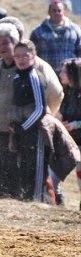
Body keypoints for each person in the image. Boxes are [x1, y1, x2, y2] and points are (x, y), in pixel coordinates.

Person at [0, 22, 63, 199]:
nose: (2, 48)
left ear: (15, 42)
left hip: (27, 132)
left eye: (5, 43)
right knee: (8, 178)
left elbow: (56, 93)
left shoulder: (34, 67)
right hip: (3, 132)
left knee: (29, 175)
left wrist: (40, 119)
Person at [29, 1, 81, 75]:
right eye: (54, 10)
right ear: (49, 12)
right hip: (47, 74)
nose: (57, 13)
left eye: (59, 10)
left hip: (70, 75)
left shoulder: (75, 30)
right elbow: (31, 53)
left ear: (63, 12)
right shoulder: (38, 32)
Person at [57, 58, 81, 209]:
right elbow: (61, 112)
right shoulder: (66, 93)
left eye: (64, 72)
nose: (60, 75)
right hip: (69, 141)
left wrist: (74, 124)